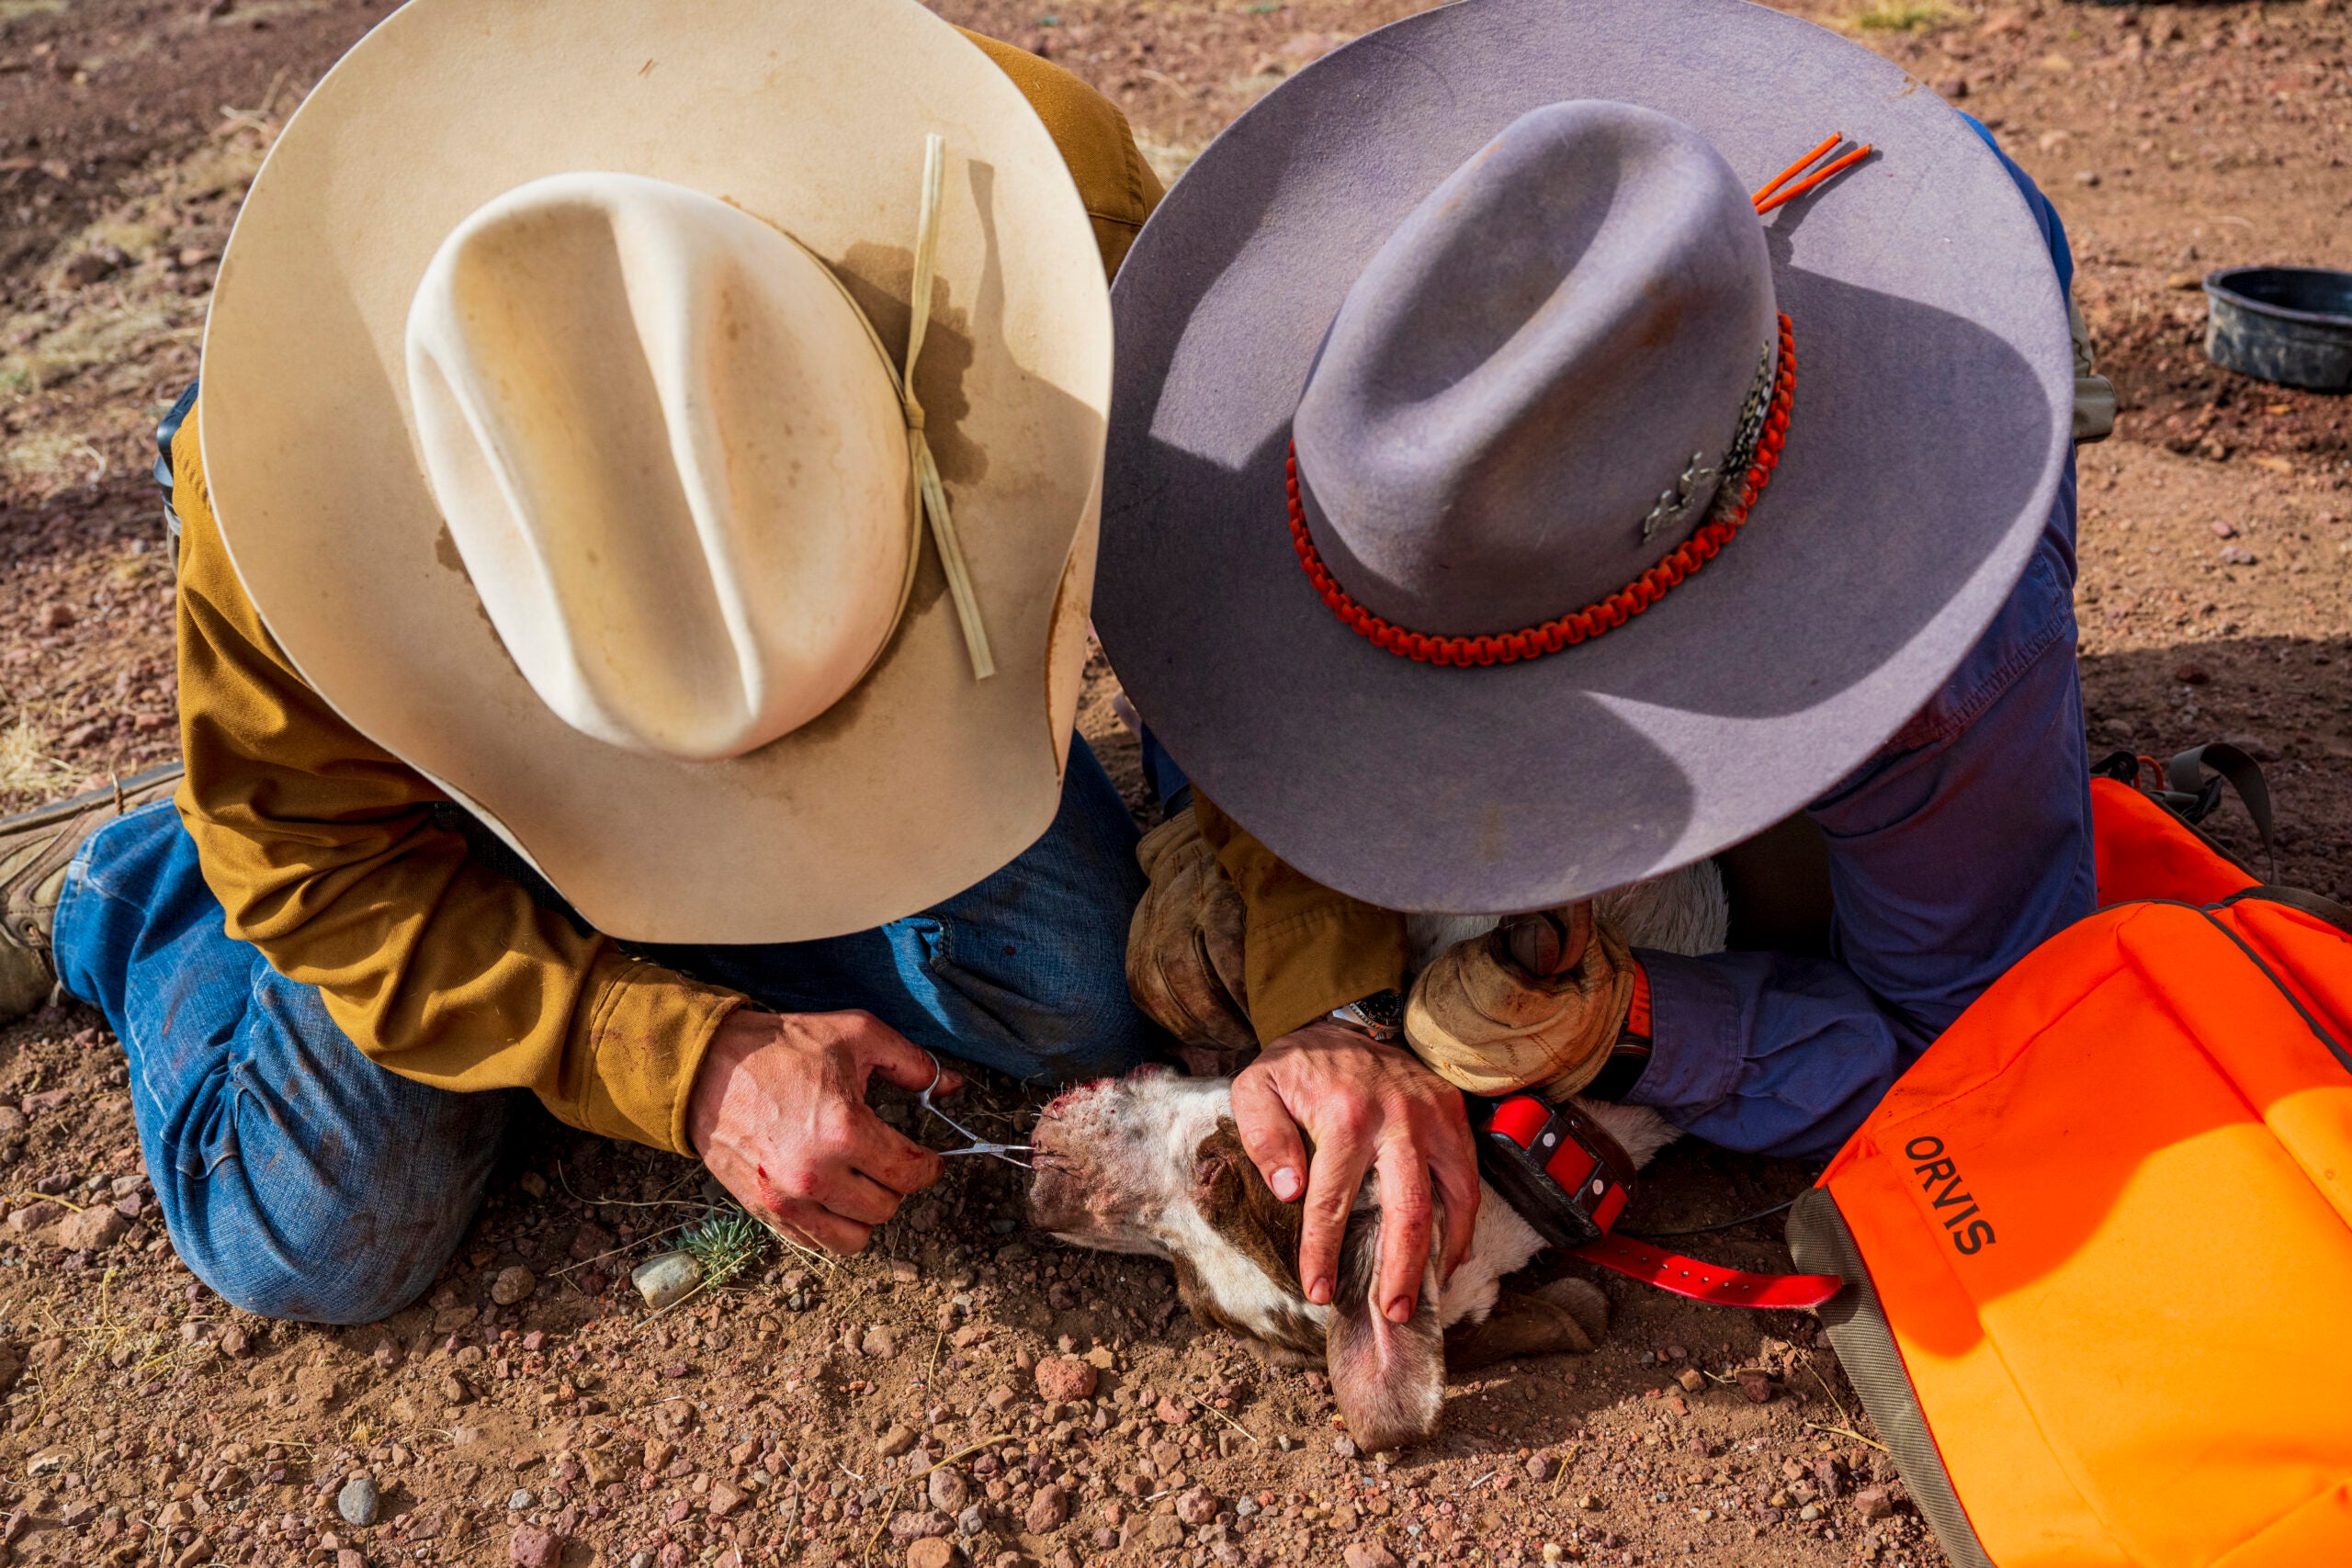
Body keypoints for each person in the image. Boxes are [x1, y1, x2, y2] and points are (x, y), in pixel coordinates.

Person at [0, 0, 1168, 1324]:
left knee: (1074, 997)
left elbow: (1225, 588)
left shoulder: (1041, 192)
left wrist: (1311, 984)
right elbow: (328, 881)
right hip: (418, 763)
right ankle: (144, 877)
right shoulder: (281, 482)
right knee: (314, 1236)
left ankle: (591, 913)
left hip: (743, 651)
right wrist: (692, 1062)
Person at [1091, 0, 2115, 1335]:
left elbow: (1978, 1053)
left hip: (1845, 294)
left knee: (1894, 830)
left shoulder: (1929, 677)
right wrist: (1213, 822)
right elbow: (1229, 625)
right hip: (1619, 389)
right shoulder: (1405, 377)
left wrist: (1631, 1025)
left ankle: (2032, 366)